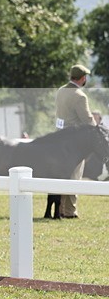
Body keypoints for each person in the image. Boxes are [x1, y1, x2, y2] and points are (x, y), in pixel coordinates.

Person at [54, 63, 96, 218]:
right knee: (74, 175)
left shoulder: (61, 91)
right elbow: (88, 121)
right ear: (83, 78)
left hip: (58, 138)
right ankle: (69, 211)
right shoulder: (79, 95)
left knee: (62, 174)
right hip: (74, 142)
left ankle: (60, 209)